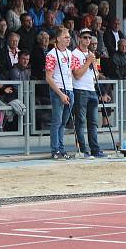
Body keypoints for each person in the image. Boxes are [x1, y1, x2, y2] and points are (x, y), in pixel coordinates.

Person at [71, 28, 105, 158]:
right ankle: (83, 150)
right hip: (80, 89)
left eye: (89, 38)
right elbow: (77, 74)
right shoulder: (74, 54)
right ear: (79, 38)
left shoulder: (92, 54)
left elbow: (96, 73)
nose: (87, 40)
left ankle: (95, 149)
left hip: (91, 89)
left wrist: (93, 64)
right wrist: (88, 62)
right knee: (80, 122)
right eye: (85, 37)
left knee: (93, 122)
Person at [45, 27, 75, 160]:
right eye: (66, 37)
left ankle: (61, 149)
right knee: (57, 122)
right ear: (58, 38)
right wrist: (60, 94)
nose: (68, 39)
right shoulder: (51, 54)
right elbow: (49, 77)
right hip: (59, 90)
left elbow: (73, 71)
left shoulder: (70, 53)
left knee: (63, 122)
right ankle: (55, 149)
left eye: (69, 37)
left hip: (70, 89)